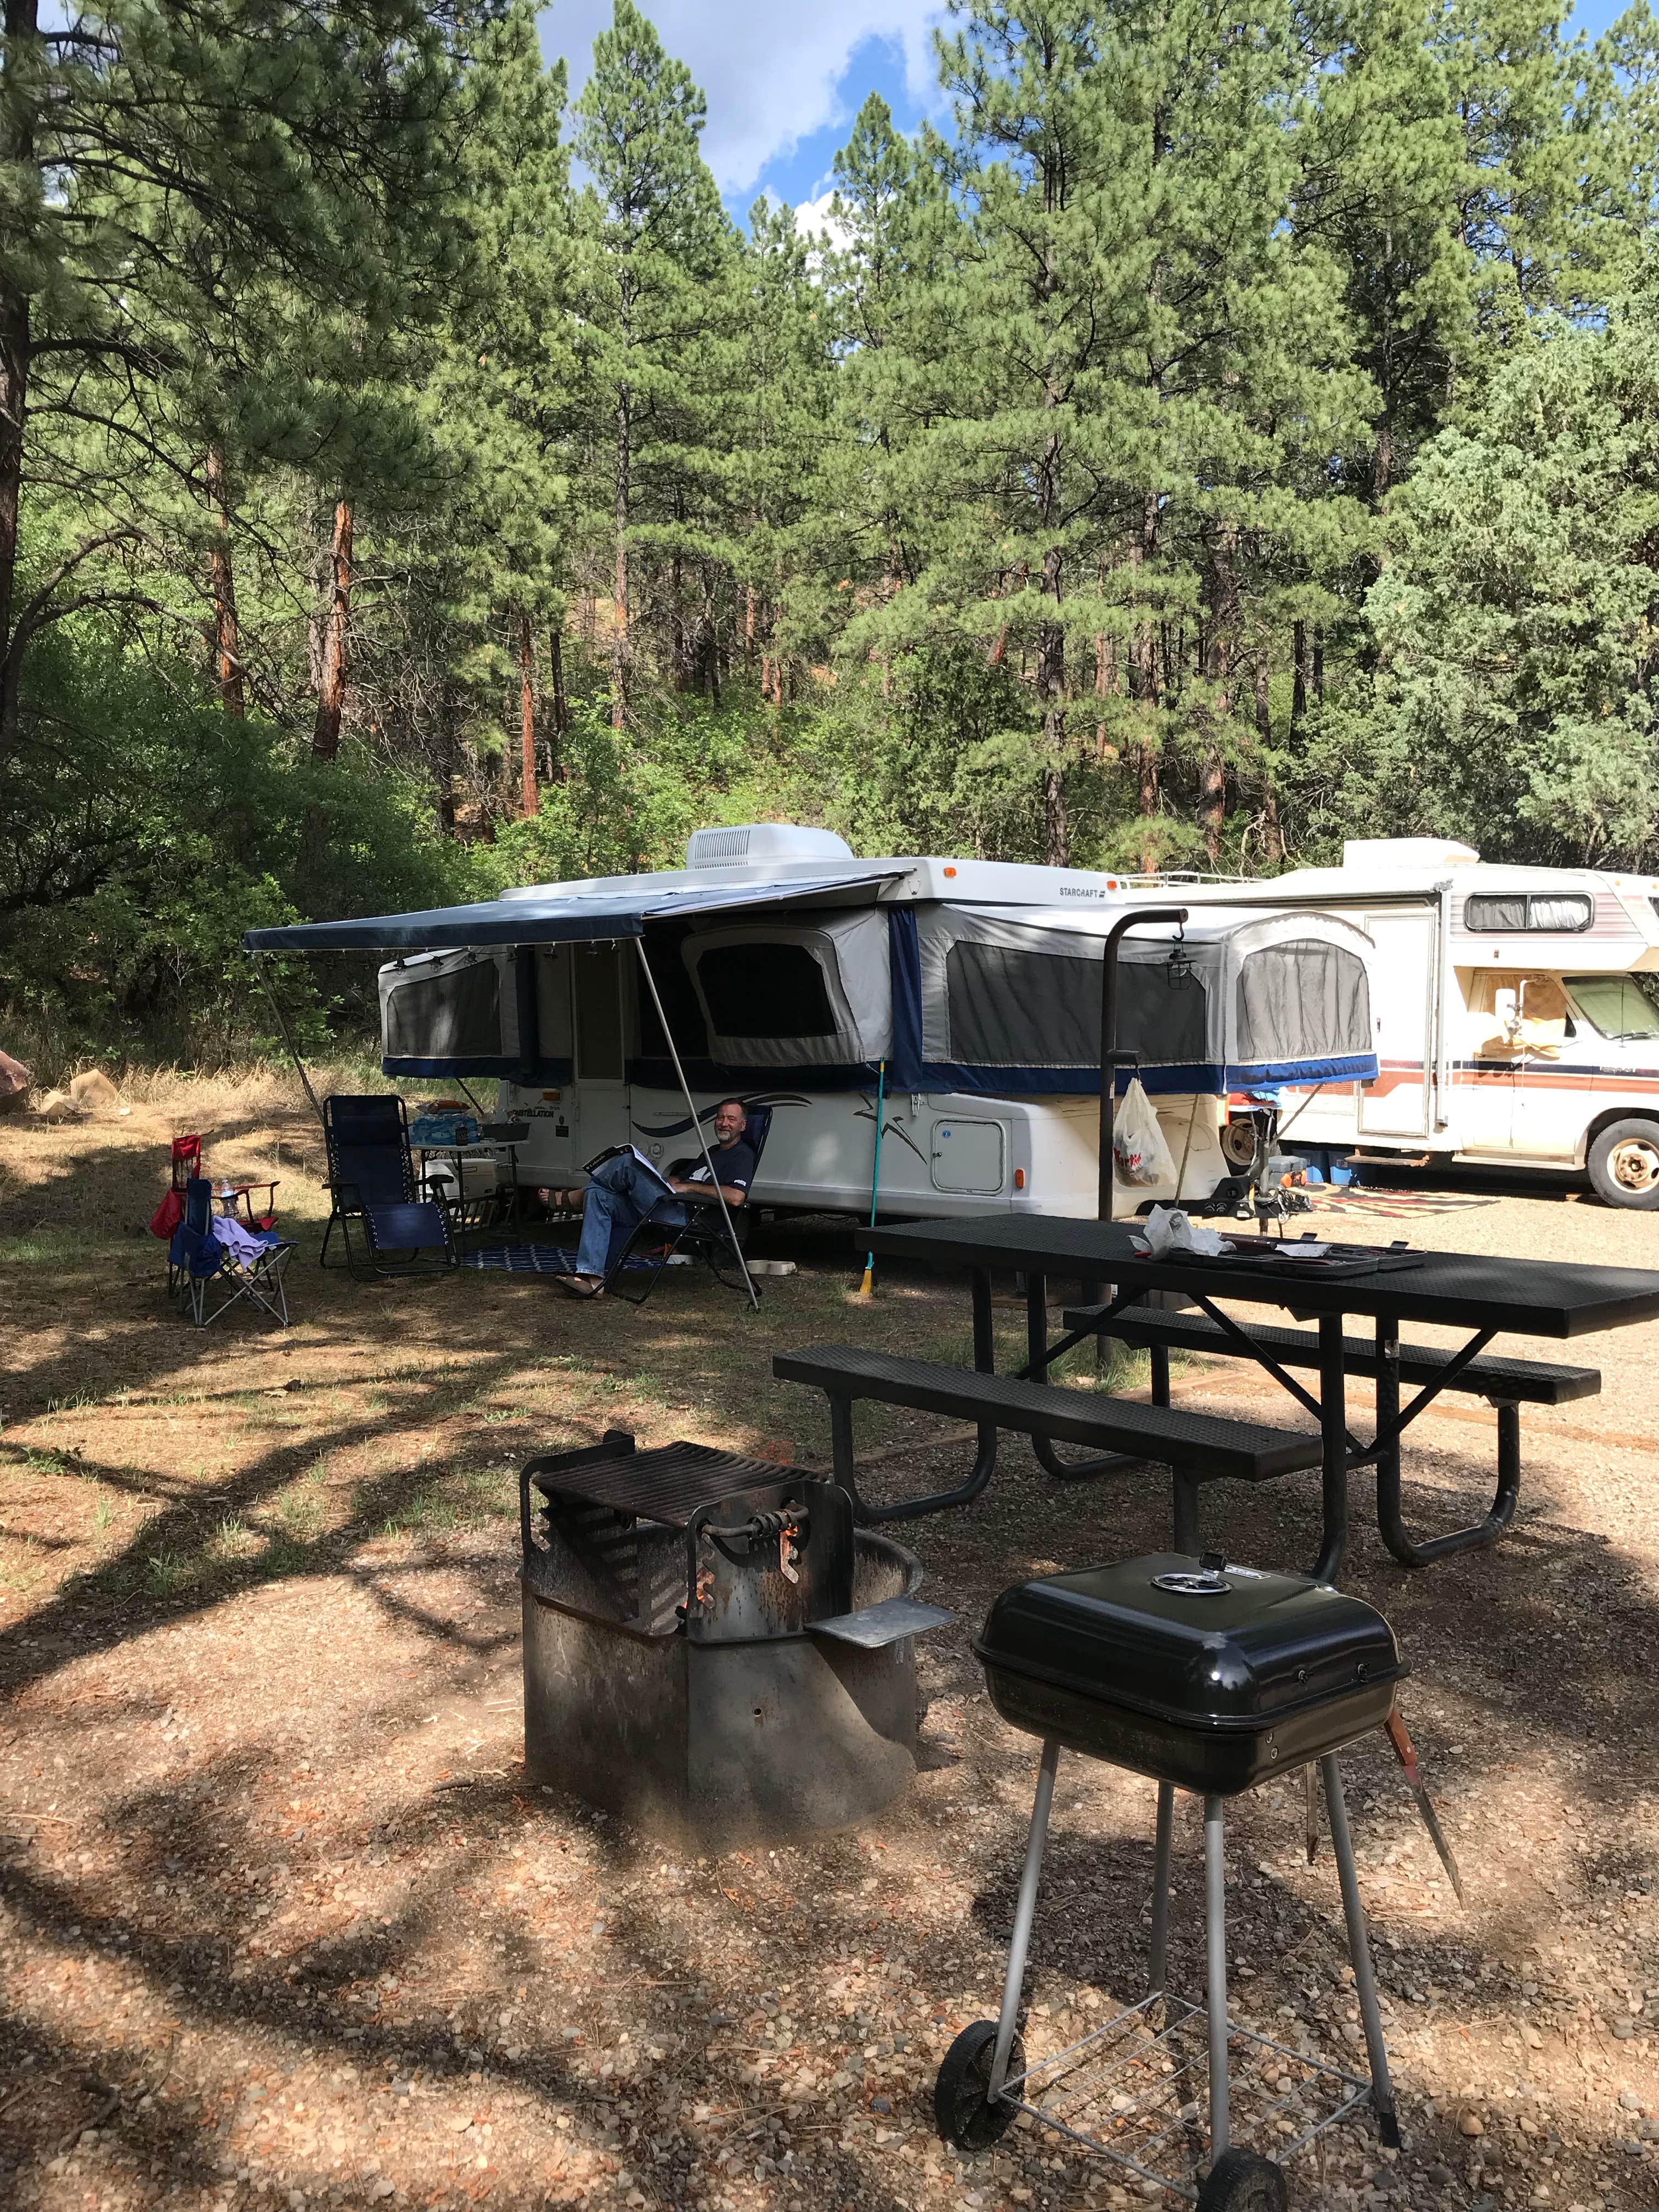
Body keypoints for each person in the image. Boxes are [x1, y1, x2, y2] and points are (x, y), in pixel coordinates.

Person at [550, 1099, 755, 1297]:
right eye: (720, 1118)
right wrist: (658, 1180)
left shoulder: (742, 1155)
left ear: (743, 1125)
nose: (724, 1123)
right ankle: (593, 1280)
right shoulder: (712, 1152)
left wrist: (689, 1188)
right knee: (599, 1196)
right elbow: (680, 1178)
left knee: (628, 1163)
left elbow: (737, 1197)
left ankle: (576, 1197)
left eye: (731, 1119)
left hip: (688, 1216)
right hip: (669, 1204)